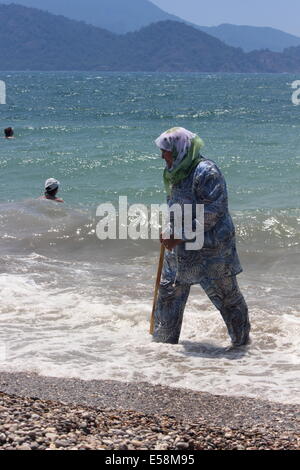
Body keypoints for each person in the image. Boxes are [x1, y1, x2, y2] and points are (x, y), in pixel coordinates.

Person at [152, 127, 250, 347]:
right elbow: (175, 206)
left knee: (226, 297)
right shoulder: (175, 171)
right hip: (180, 246)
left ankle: (242, 346)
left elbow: (214, 210)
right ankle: (162, 349)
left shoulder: (206, 171)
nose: (162, 156)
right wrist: (169, 229)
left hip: (211, 248)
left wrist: (181, 235)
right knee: (169, 293)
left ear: (179, 150)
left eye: (165, 151)